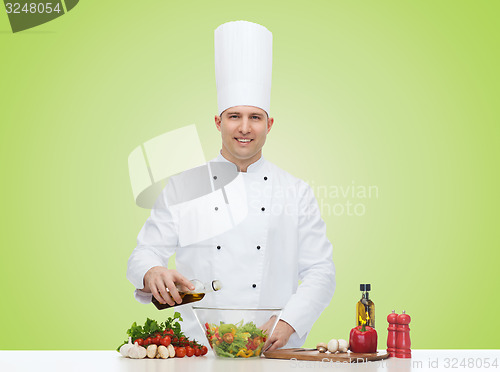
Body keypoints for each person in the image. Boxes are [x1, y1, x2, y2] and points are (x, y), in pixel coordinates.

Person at [127, 21, 335, 351]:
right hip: (196, 348)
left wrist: (289, 320)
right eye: (234, 116)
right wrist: (151, 270)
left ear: (269, 124)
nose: (244, 127)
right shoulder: (184, 186)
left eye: (255, 117)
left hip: (271, 346)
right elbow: (144, 251)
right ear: (218, 122)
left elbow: (321, 271)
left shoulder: (295, 191)